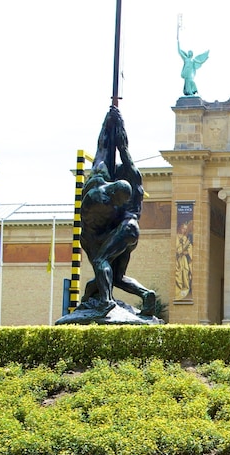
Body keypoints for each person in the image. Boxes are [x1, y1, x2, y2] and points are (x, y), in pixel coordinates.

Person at [78, 106, 156, 317]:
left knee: (101, 262)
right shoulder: (134, 182)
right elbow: (121, 147)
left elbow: (104, 147)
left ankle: (106, 303)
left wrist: (110, 123)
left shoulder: (98, 185)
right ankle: (146, 294)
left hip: (121, 230)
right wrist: (116, 124)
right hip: (132, 231)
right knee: (117, 276)